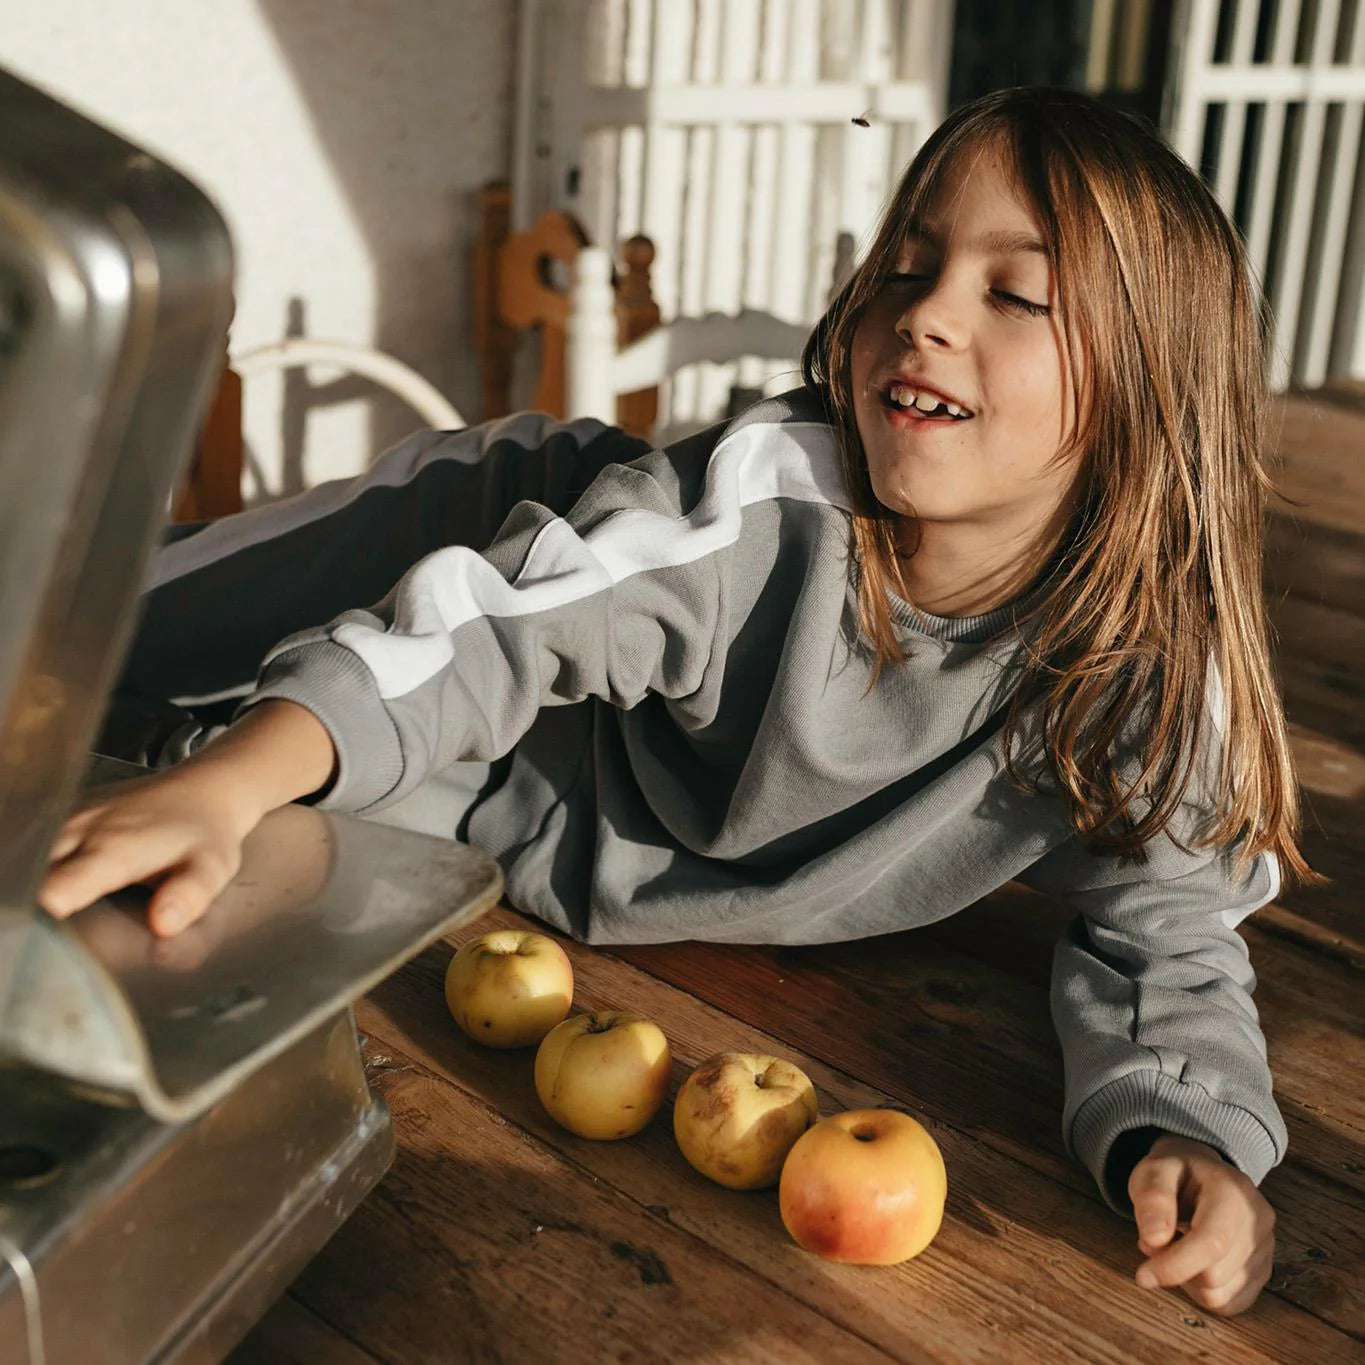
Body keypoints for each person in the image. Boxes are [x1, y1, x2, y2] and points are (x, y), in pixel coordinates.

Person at [40, 87, 1312, 1317]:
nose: (923, 316)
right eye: (907, 267)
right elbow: (487, 637)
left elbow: (1173, 934)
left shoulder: (1146, 674)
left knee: (150, 771)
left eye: (1015, 292)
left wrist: (1187, 1132)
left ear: (1150, 386)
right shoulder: (759, 509)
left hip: (505, 795)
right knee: (70, 635)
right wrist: (231, 783)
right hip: (486, 558)